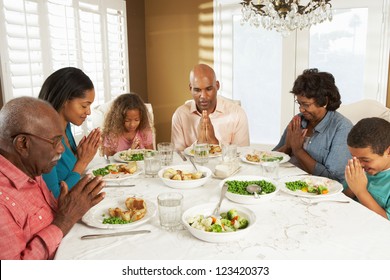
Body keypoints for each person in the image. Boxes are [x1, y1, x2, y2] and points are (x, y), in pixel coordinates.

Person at [0, 97, 105, 260]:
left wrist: (63, 208)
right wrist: (64, 221)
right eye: (55, 141)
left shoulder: (31, 169)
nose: (61, 148)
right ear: (23, 144)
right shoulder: (3, 203)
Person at [273, 68, 353, 184]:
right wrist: (288, 147)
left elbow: (333, 180)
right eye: (299, 103)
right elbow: (271, 158)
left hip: (315, 190)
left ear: (324, 101)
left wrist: (298, 150)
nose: (301, 109)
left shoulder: (342, 128)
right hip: (284, 181)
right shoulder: (298, 120)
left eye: (306, 104)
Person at [38, 67, 101, 198]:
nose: (88, 112)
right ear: (64, 100)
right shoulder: (44, 140)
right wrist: (82, 162)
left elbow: (69, 173)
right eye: (84, 106)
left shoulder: (66, 127)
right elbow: (55, 198)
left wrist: (80, 156)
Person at [171, 63, 250, 151]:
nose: (203, 96)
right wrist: (199, 143)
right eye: (197, 90)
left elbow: (241, 155)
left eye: (208, 89)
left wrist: (214, 142)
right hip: (192, 165)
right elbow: (178, 158)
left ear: (217, 86)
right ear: (190, 88)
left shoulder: (237, 114)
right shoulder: (180, 115)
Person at [344, 117, 390, 219]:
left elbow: (386, 223)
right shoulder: (360, 169)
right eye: (354, 157)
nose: (359, 164)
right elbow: (343, 199)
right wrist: (352, 186)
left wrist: (360, 191)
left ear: (388, 152)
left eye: (366, 160)